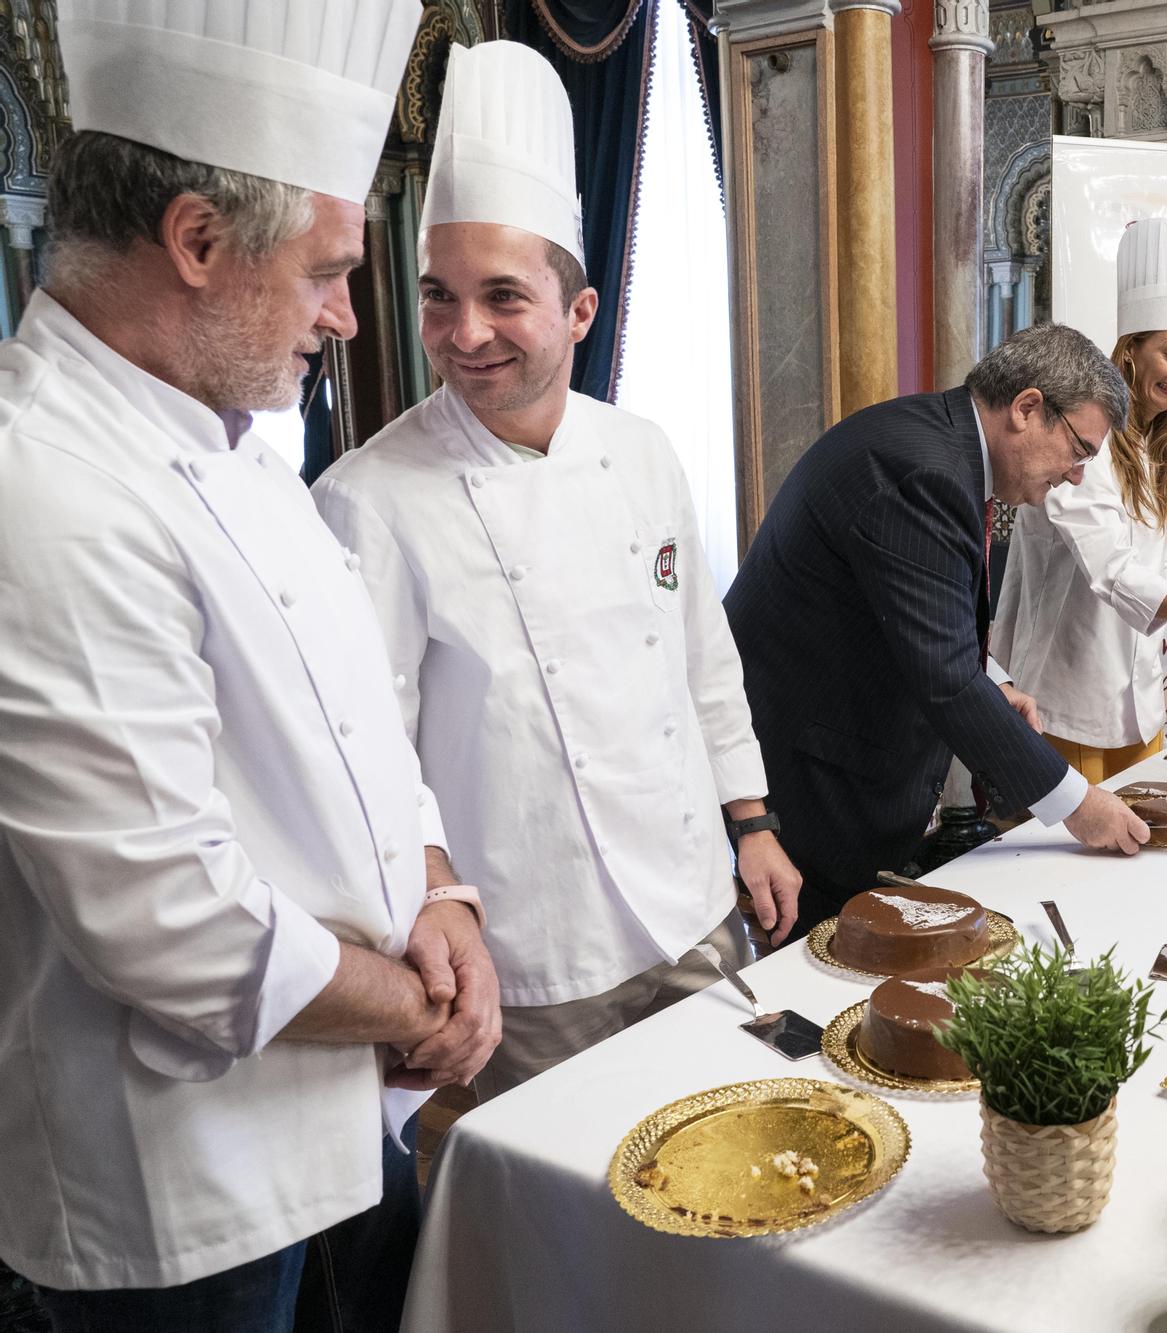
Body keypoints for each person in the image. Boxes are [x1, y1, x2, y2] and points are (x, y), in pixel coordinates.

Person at [0, 3, 502, 1329]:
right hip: (181, 1192)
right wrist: (419, 1008)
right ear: (199, 241)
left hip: (341, 1121)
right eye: (329, 269)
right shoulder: (39, 484)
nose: (347, 315)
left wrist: (445, 892)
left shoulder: (237, 437)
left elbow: (363, 740)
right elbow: (166, 919)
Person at [313, 41, 798, 1101]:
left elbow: (699, 662)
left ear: (579, 313)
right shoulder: (366, 499)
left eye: (501, 297)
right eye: (439, 296)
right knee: (567, 1227)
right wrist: (433, 914)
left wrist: (750, 822)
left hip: (692, 909)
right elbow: (369, 762)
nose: (463, 332)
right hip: (530, 954)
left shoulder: (641, 450)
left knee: (735, 1161)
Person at [725, 324, 1153, 932]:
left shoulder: (938, 443)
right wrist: (1078, 805)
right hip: (811, 771)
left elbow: (925, 612)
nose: (1078, 474)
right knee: (825, 963)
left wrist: (993, 680)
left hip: (831, 749)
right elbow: (946, 678)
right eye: (1080, 450)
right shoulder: (921, 469)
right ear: (1028, 408)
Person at [991, 218, 1167, 782]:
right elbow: (1112, 569)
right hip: (1061, 697)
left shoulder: (1154, 446)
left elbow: (1147, 563)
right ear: (1131, 351)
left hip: (1138, 701)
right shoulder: (1081, 443)